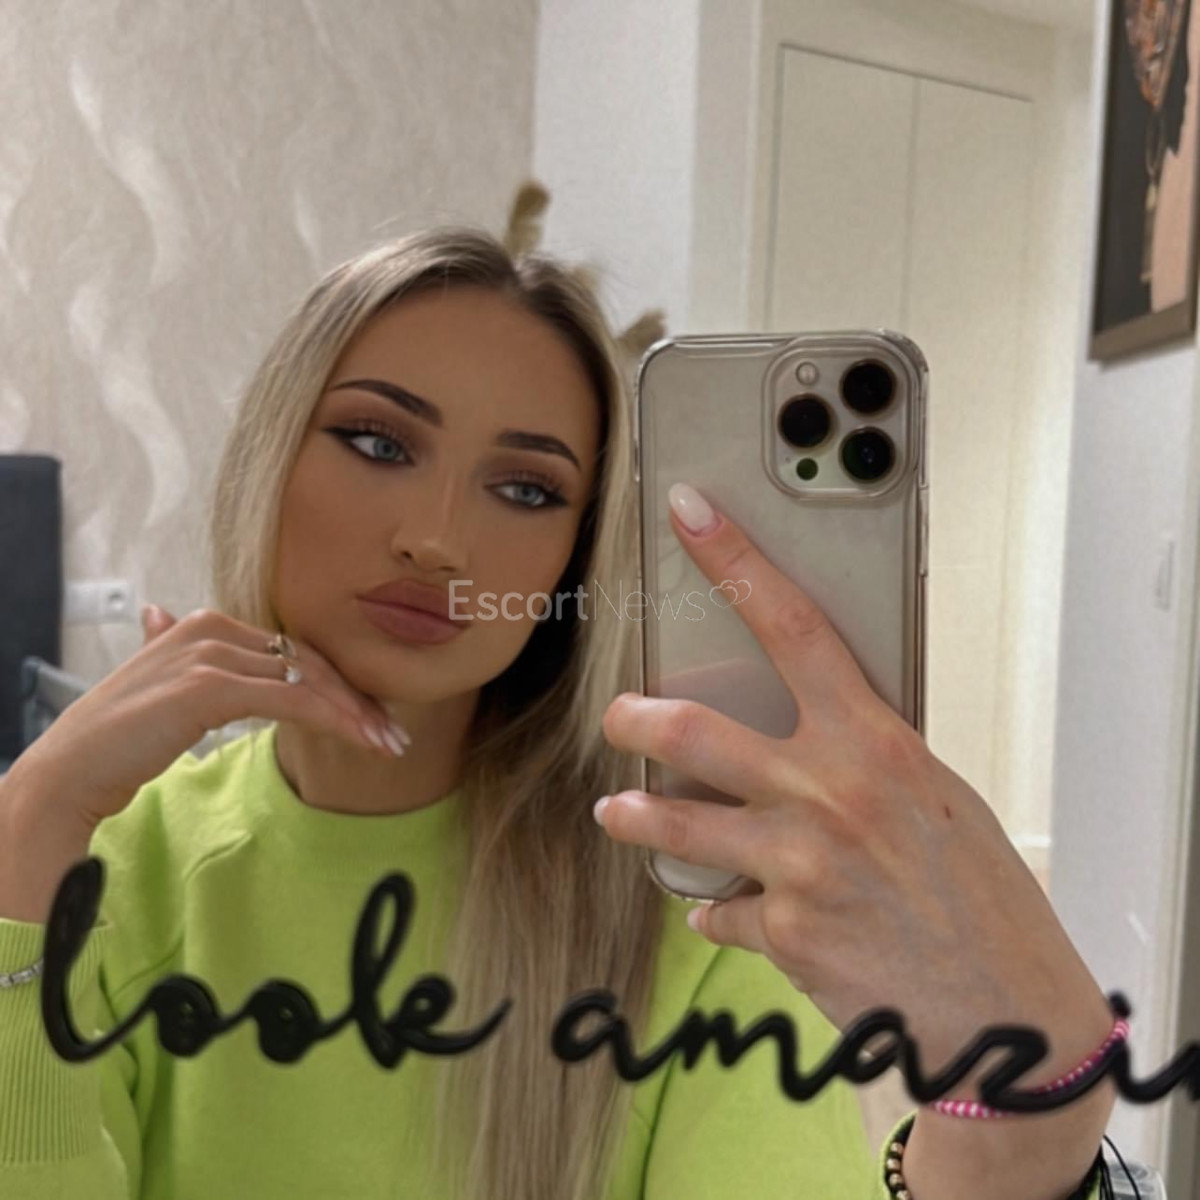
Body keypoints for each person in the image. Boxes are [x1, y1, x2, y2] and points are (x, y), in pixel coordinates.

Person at [0, 227, 1116, 1200]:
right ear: (267, 452)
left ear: (571, 562)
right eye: (379, 442)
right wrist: (31, 815)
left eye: (527, 489)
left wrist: (1026, 1129)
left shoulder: (689, 910)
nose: (436, 540)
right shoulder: (111, 872)